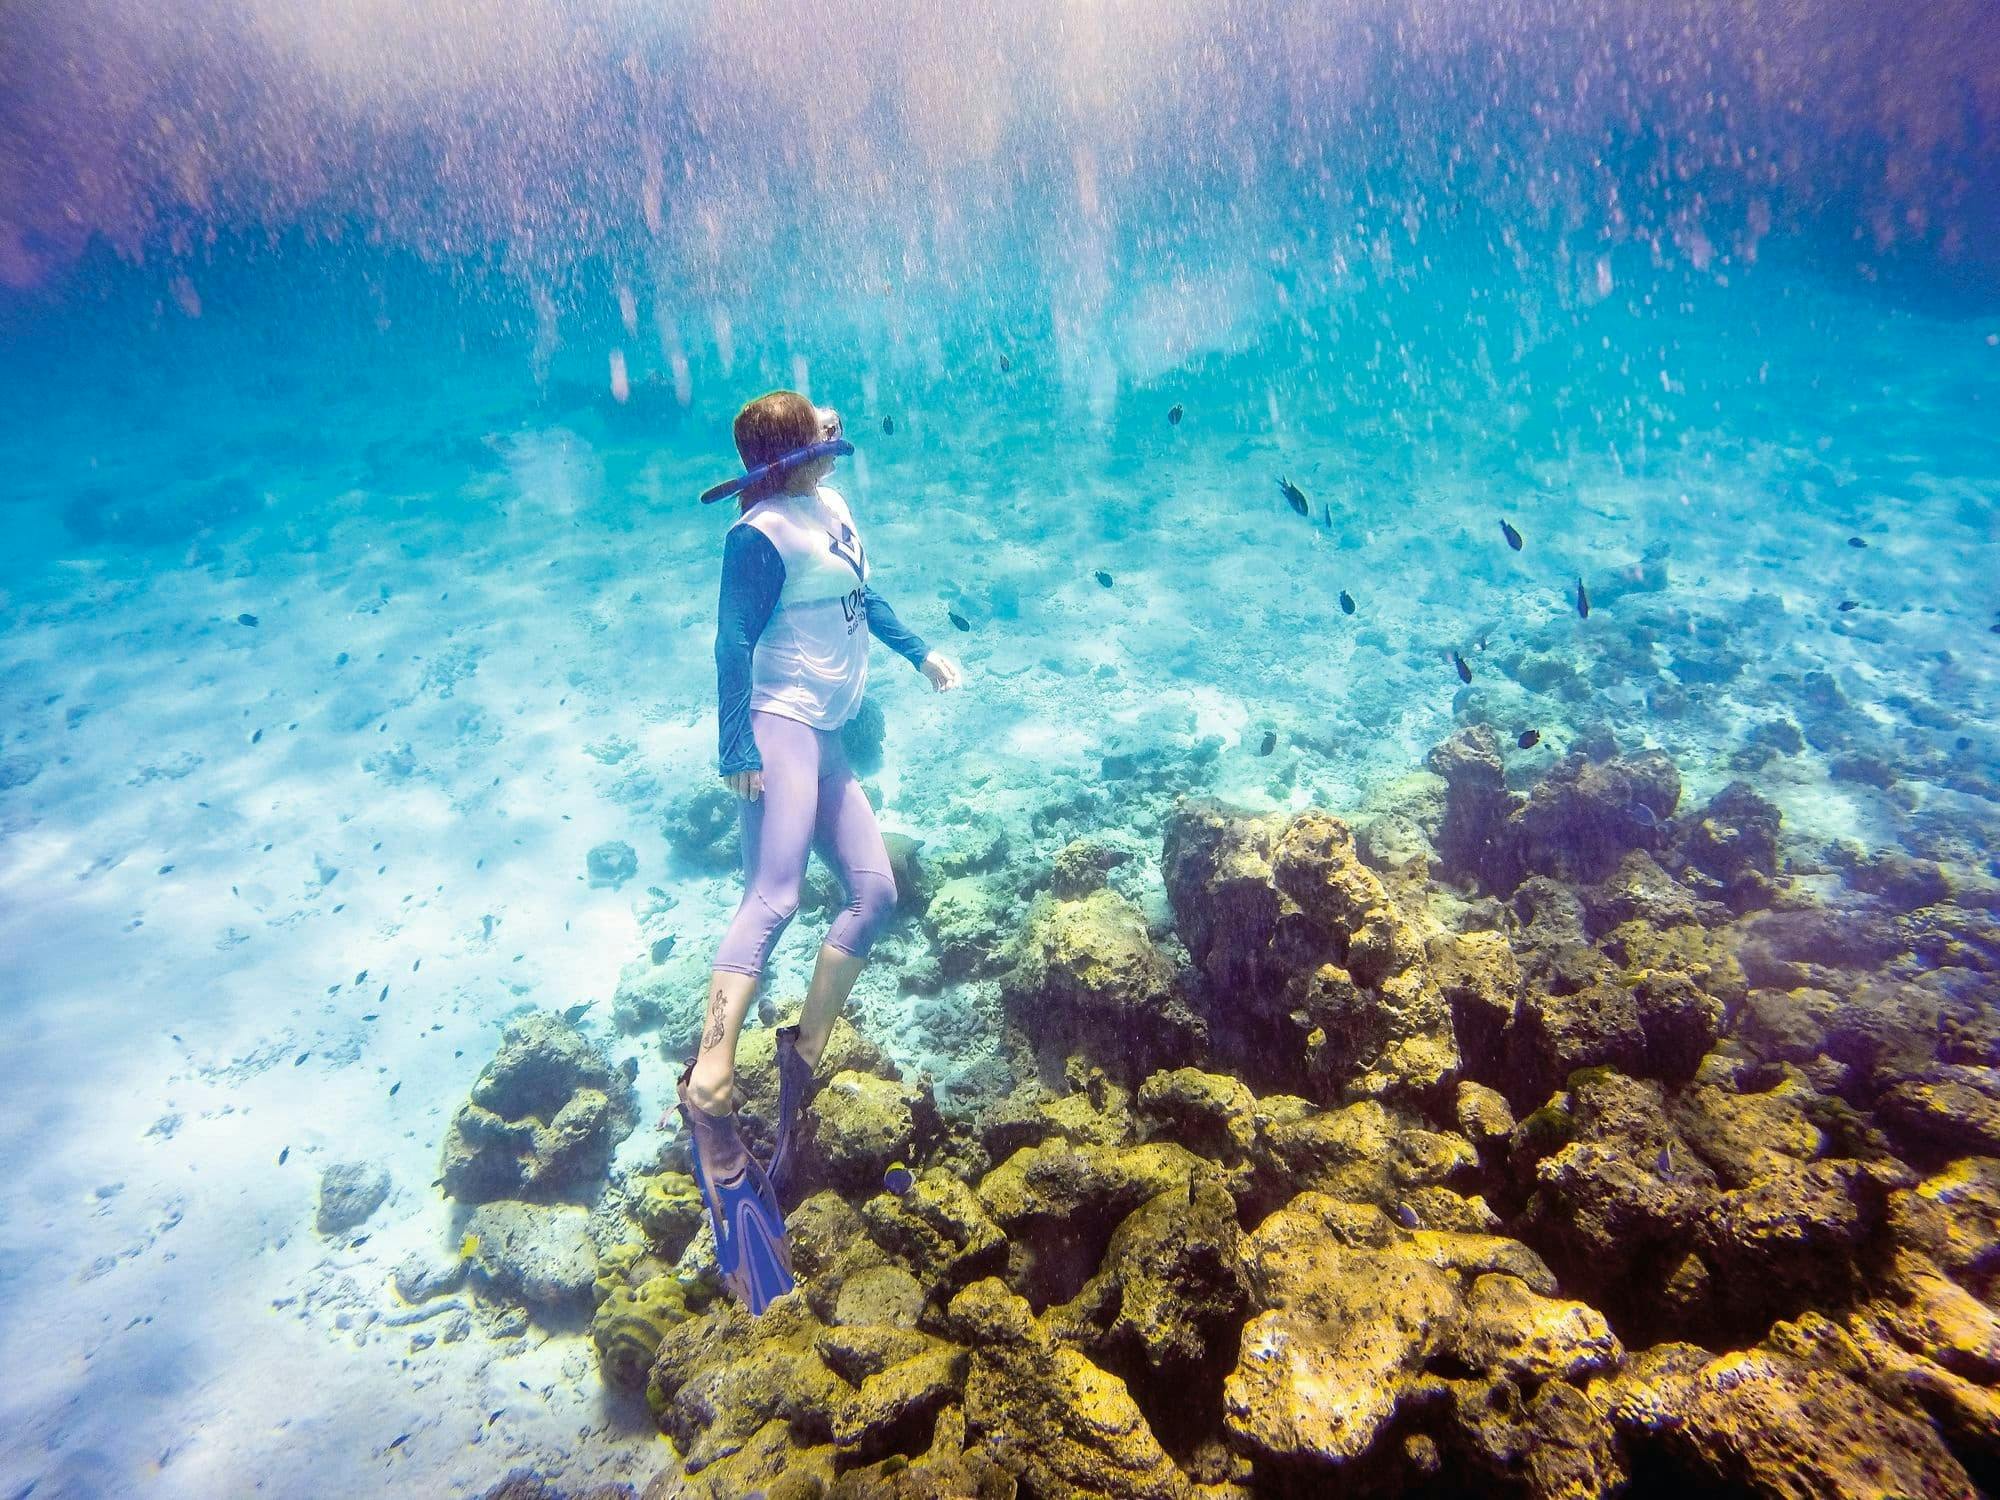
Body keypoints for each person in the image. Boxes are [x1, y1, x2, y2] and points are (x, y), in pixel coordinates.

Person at [677, 389, 961, 1313]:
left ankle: (801, 1047)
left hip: (827, 730)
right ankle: (711, 1081)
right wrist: (733, 750)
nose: (834, 450)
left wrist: (919, 653)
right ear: (781, 460)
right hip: (780, 727)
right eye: (818, 443)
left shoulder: (826, 509)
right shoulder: (756, 535)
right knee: (778, 895)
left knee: (874, 891)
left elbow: (859, 594)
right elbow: (730, 644)